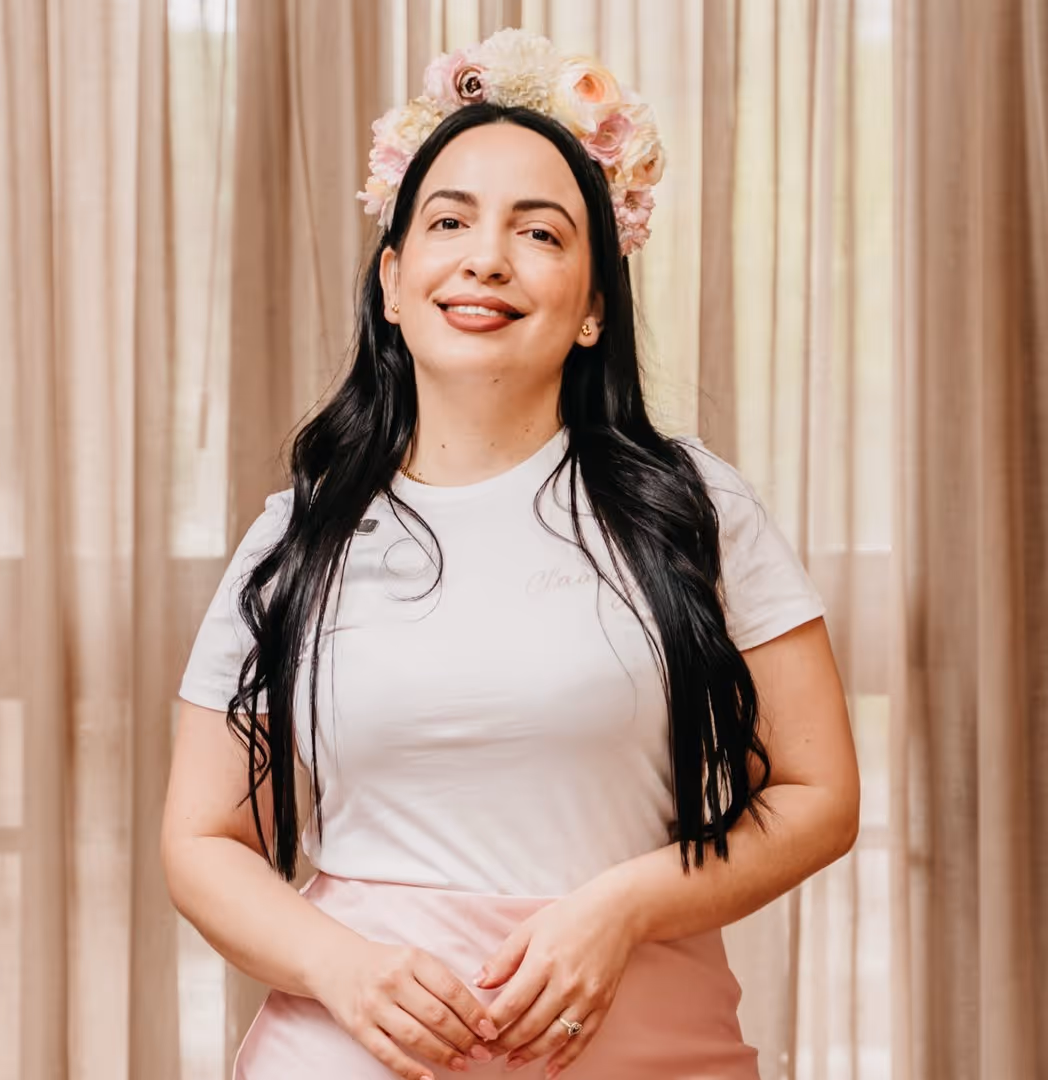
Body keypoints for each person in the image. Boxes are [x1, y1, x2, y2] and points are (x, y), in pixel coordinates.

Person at [161, 28, 859, 1080]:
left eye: (539, 233)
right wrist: (342, 969)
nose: (486, 256)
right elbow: (203, 840)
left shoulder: (695, 506)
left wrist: (625, 906)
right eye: (449, 221)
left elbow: (818, 794)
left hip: (649, 1052)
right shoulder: (295, 535)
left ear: (592, 308)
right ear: (393, 283)